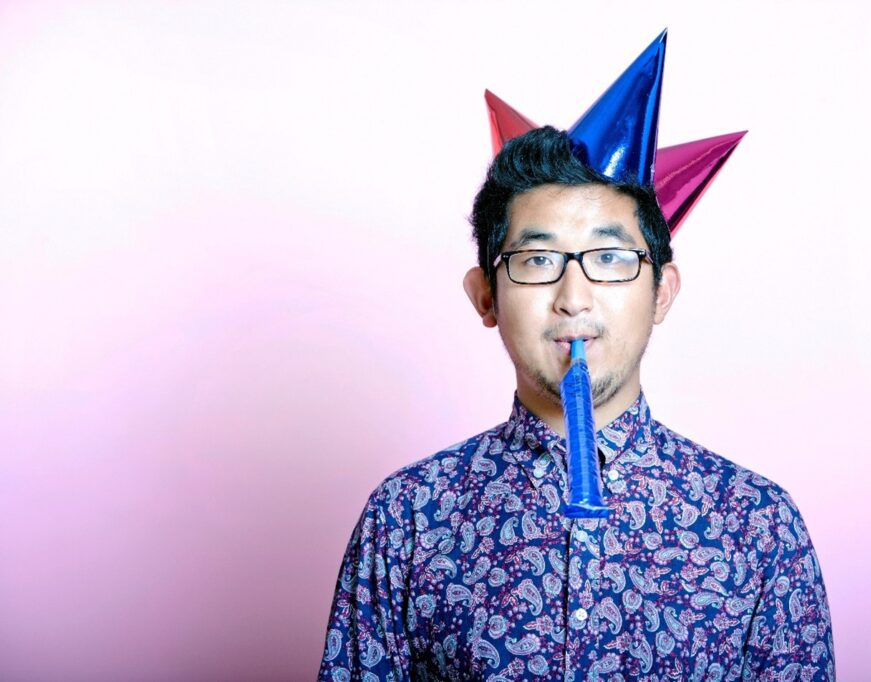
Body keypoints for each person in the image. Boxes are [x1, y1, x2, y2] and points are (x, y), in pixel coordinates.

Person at [318, 34, 834, 682]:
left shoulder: (758, 528)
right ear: (485, 296)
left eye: (611, 258)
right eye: (537, 259)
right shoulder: (408, 520)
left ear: (661, 292)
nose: (573, 296)